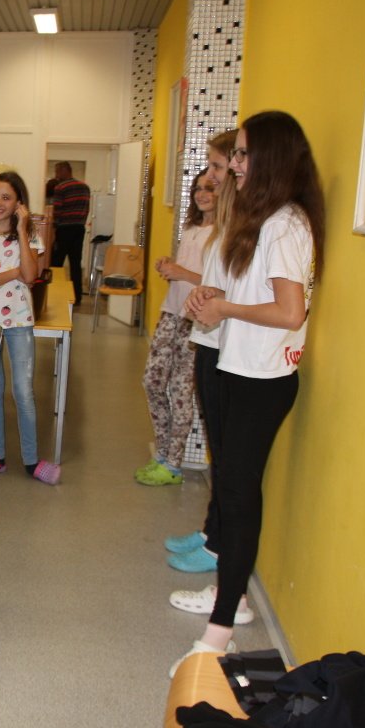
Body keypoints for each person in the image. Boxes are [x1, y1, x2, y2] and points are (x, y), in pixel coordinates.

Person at [168, 111, 325, 677]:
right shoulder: (262, 219)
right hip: (237, 367)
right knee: (232, 491)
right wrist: (209, 297)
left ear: (270, 160)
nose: (233, 165)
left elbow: (289, 311)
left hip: (262, 379)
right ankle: (228, 599)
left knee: (238, 497)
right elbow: (241, 290)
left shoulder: (286, 224)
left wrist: (226, 307)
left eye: (241, 154)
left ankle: (219, 634)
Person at [163, 129, 237, 574]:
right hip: (206, 338)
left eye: (217, 168)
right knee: (219, 452)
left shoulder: (244, 228)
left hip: (228, 347)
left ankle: (218, 547)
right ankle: (211, 533)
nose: (209, 177)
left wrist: (214, 298)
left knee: (229, 460)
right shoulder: (214, 228)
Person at [0, 171, 59, 486]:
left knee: (23, 391)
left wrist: (21, 229)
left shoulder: (28, 235)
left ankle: (32, 461)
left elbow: (31, 275)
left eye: (6, 197)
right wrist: (13, 272)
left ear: (18, 203)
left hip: (19, 320)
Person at [135, 170, 218, 487]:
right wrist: (170, 266)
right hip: (171, 313)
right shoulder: (191, 228)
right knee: (152, 381)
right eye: (198, 188)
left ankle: (173, 464)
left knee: (182, 392)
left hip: (197, 321)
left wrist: (180, 271)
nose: (202, 194)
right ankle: (163, 452)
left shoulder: (223, 234)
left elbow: (218, 283)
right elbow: (188, 272)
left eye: (209, 188)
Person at [50, 161, 91, 304]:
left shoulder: (60, 188)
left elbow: (57, 211)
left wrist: (54, 230)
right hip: (79, 229)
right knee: (75, 264)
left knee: (56, 263)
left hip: (64, 229)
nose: (56, 175)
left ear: (64, 170)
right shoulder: (85, 187)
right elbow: (86, 209)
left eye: (57, 171)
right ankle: (77, 297)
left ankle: (53, 294)